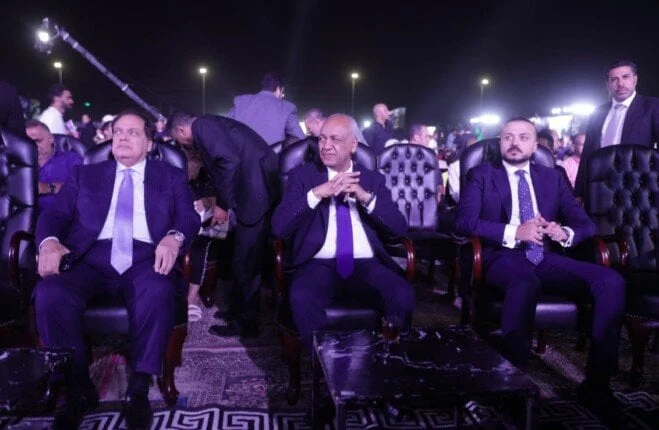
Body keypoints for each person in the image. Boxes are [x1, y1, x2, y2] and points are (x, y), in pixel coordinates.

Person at [34, 110, 200, 429]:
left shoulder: (169, 175)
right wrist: (50, 242)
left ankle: (138, 388)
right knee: (50, 293)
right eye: (118, 131)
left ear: (149, 143)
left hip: (145, 257)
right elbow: (54, 215)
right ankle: (78, 389)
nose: (122, 137)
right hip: (89, 258)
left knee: (158, 289)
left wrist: (174, 237)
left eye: (133, 132)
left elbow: (188, 217)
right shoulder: (85, 174)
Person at [454, 117, 625, 421]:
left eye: (523, 137)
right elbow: (463, 222)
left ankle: (597, 387)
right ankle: (512, 387)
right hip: (501, 255)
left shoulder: (552, 177)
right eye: (508, 137)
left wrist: (564, 232)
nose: (515, 143)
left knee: (611, 281)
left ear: (535, 146)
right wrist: (514, 231)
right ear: (500, 142)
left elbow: (584, 223)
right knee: (525, 283)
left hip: (544, 256)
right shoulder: (481, 174)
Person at [271, 113, 415, 349]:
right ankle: (319, 363)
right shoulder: (304, 176)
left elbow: (399, 228)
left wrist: (365, 197)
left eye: (335, 139)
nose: (326, 146)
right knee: (301, 295)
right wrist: (316, 194)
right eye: (322, 139)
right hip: (317, 264)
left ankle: (389, 359)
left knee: (402, 293)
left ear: (353, 145)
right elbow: (279, 227)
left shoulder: (372, 180)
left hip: (366, 264)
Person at [169, 112, 279, 338]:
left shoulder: (202, 126)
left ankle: (246, 324)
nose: (181, 145)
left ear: (181, 130)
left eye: (178, 140)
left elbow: (228, 161)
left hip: (255, 192)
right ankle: (239, 313)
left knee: (246, 261)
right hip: (253, 190)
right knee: (241, 259)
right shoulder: (210, 124)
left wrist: (221, 205)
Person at [574, 60, 659, 198]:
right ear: (608, 84)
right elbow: (587, 154)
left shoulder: (652, 107)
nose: (620, 83)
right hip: (601, 187)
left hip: (640, 189)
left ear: (635, 79)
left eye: (625, 77)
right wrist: (579, 192)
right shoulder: (598, 113)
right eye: (614, 79)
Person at [227, 71, 305, 145]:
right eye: (282, 93)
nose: (282, 96)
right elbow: (301, 141)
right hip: (272, 155)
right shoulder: (287, 108)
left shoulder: (240, 102)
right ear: (278, 89)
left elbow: (225, 130)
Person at [25, 120, 83, 213]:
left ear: (51, 138)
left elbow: (83, 188)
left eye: (38, 141)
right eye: (29, 142)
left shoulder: (71, 160)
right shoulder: (17, 165)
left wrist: (48, 188)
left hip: (64, 218)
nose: (34, 146)